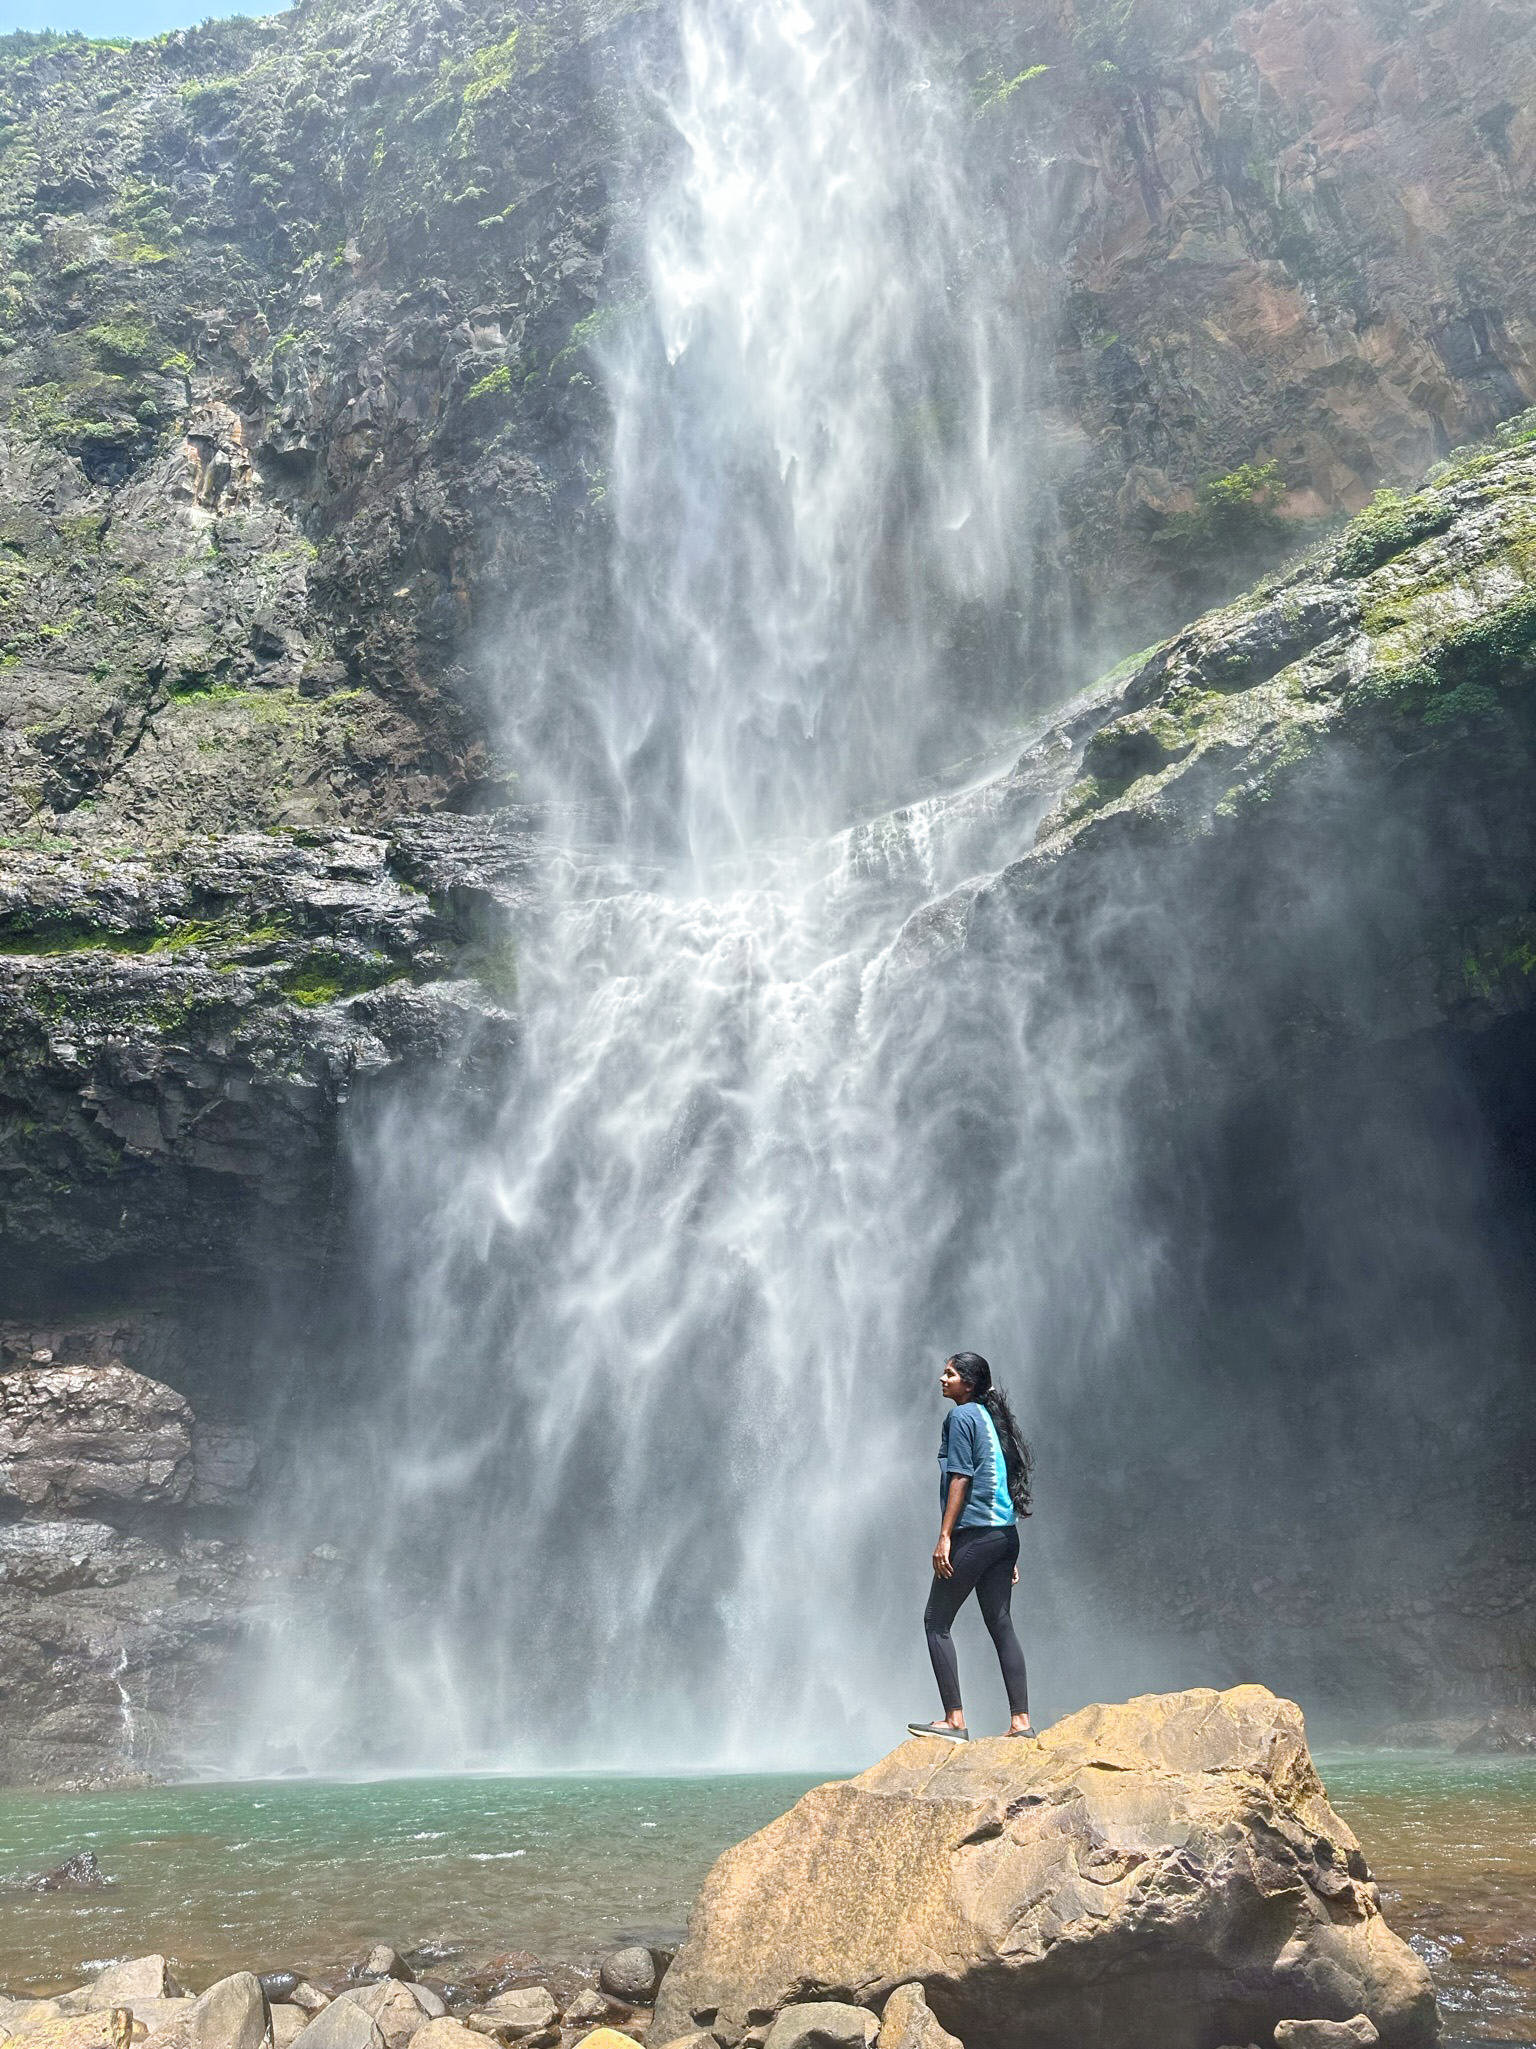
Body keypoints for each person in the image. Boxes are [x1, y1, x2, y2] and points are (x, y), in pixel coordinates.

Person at [908, 1351, 1034, 1742]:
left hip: (975, 1534)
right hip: (1002, 1535)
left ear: (969, 1383)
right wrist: (1003, 1550)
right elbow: (1001, 1478)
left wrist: (946, 1536)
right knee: (1000, 1624)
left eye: (950, 1374)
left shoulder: (961, 1417)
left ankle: (954, 1721)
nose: (941, 1379)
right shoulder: (991, 1418)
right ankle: (1021, 1723)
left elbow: (961, 1476)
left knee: (936, 1621)